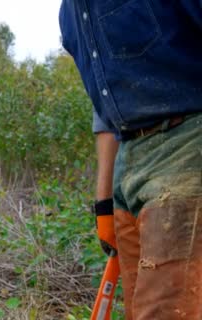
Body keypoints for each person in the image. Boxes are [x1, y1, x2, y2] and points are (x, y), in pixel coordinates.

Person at [59, 1, 202, 319]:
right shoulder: (70, 15)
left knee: (166, 309)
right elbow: (107, 103)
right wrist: (105, 202)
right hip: (129, 157)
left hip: (187, 144)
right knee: (139, 309)